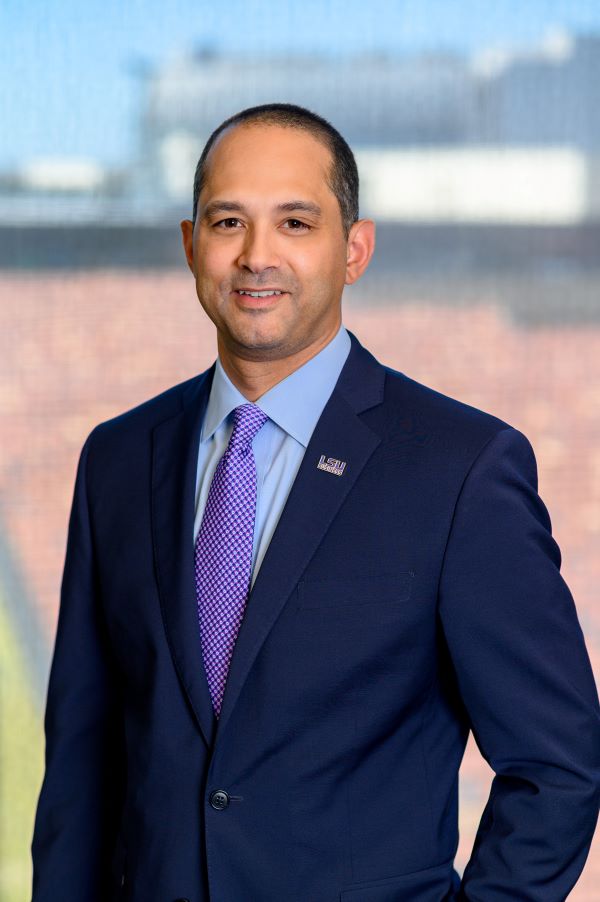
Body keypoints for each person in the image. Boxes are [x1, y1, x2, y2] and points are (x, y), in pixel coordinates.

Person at [31, 102, 600, 902]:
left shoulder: (461, 468)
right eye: (229, 221)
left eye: (296, 222)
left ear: (354, 250)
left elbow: (558, 765)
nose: (257, 256)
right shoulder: (119, 459)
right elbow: (83, 767)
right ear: (193, 245)